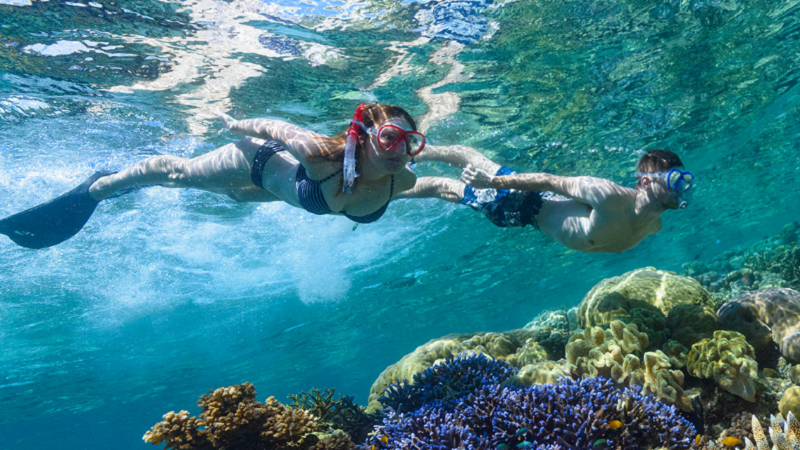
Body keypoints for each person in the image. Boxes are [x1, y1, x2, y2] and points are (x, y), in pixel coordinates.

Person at [0, 103, 419, 249]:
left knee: (235, 200)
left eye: (409, 140)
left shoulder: (402, 180)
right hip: (255, 161)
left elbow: (434, 184)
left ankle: (129, 185)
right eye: (389, 136)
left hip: (278, 188)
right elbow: (276, 129)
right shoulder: (318, 154)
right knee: (178, 175)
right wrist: (235, 125)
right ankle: (100, 186)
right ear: (363, 136)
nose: (398, 149)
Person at [395, 145, 693, 253]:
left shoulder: (655, 226)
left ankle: (391, 191)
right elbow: (549, 180)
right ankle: (418, 153)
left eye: (686, 181)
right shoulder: (608, 195)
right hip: (520, 200)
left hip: (521, 218)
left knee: (446, 187)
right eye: (676, 181)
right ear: (646, 182)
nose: (682, 190)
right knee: (459, 170)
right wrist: (493, 182)